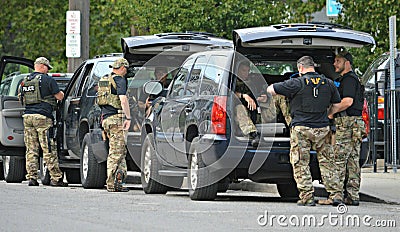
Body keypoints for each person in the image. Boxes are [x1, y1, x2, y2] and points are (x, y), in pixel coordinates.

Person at [267, 56, 342, 206]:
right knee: (327, 163)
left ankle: (307, 197)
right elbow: (337, 103)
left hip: (302, 128)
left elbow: (271, 90)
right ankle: (336, 195)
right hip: (322, 128)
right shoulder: (328, 83)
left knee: (301, 162)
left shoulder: (296, 83)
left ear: (300, 68)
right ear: (313, 67)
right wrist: (326, 115)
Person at [20, 57, 67, 187]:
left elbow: (21, 99)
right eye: (47, 67)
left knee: (31, 149)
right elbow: (59, 97)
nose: (47, 70)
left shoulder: (24, 81)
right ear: (42, 66)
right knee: (48, 148)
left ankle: (32, 178)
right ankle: (56, 178)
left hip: (28, 117)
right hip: (43, 117)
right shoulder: (47, 79)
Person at [328, 50, 365, 206]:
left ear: (347, 62)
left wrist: (330, 113)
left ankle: (336, 195)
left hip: (347, 122)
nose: (334, 64)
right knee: (352, 161)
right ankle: (352, 195)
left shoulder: (349, 80)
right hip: (355, 123)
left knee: (338, 159)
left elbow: (347, 102)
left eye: (338, 61)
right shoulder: (348, 79)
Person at [98, 58, 131, 192]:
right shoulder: (120, 80)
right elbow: (123, 100)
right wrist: (128, 117)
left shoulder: (104, 80)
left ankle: (120, 180)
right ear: (122, 67)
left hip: (106, 119)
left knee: (120, 150)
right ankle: (111, 183)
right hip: (116, 118)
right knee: (116, 153)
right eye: (126, 69)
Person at [234, 61, 267, 147]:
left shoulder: (252, 83)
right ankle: (253, 134)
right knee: (239, 108)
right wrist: (243, 96)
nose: (246, 73)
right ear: (237, 71)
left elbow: (260, 94)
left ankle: (292, 126)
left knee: (278, 97)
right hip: (240, 116)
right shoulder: (232, 81)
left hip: (256, 112)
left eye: (248, 71)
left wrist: (264, 97)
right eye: (243, 70)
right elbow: (228, 93)